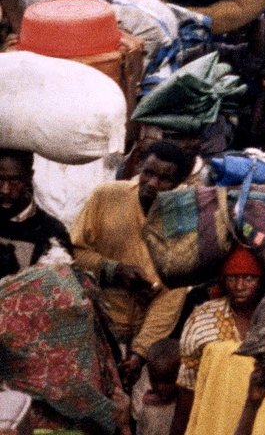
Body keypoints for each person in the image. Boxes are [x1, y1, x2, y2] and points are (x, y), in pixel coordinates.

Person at [71, 140, 192, 387]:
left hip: (144, 338)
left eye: (165, 179)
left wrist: (140, 353)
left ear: (179, 183)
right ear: (138, 166)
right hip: (93, 325)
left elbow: (172, 297)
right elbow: (72, 252)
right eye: (148, 173)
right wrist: (113, 270)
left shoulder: (184, 221)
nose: (153, 184)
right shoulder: (106, 196)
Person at [170, 246, 265, 435]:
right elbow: (188, 388)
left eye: (249, 278)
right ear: (222, 280)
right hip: (215, 424)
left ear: (261, 281)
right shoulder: (203, 318)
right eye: (232, 278)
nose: (239, 286)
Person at [0, 149, 71, 278]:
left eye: (14, 180)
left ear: (29, 177)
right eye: (0, 179)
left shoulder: (52, 232)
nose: (5, 190)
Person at [134, 338, 181, 435]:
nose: (160, 387)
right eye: (155, 380)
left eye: (168, 381)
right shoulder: (146, 402)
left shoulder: (187, 403)